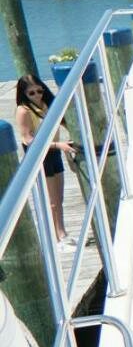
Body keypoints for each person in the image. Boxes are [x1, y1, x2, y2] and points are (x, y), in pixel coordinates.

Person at [14, 75, 76, 248]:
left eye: (40, 91)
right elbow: (28, 139)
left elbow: (64, 121)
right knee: (52, 201)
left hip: (54, 151)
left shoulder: (47, 104)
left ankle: (62, 233)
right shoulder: (24, 110)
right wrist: (58, 144)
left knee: (59, 198)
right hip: (39, 155)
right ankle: (55, 238)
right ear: (24, 93)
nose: (37, 95)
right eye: (31, 93)